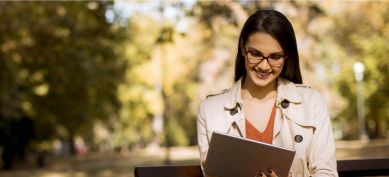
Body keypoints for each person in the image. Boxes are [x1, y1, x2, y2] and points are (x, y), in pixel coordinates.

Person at [197, 9, 338, 177]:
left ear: (286, 57)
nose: (264, 66)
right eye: (255, 54)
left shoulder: (312, 103)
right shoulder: (210, 109)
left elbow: (326, 173)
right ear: (243, 48)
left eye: (275, 57)